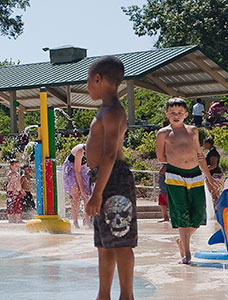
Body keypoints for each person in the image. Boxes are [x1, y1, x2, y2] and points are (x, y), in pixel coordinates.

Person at [84, 56, 137, 300]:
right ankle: (102, 295)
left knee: (121, 240)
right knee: (104, 244)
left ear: (98, 79)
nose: (87, 87)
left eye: (88, 81)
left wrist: (97, 193)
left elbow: (109, 154)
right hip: (103, 179)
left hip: (113, 179)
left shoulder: (114, 111)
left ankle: (127, 296)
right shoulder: (104, 111)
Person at [155, 97, 218, 265]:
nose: (176, 116)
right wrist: (176, 159)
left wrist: (209, 178)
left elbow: (199, 155)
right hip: (175, 174)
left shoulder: (193, 131)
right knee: (181, 213)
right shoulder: (163, 133)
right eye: (172, 113)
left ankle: (182, 240)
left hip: (195, 173)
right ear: (167, 114)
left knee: (198, 214)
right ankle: (187, 253)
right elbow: (161, 156)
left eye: (180, 113)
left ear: (186, 114)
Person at [64, 143, 91, 229]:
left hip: (82, 168)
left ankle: (87, 220)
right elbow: (77, 171)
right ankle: (75, 222)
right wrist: (81, 189)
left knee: (87, 195)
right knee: (77, 195)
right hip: (72, 169)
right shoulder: (80, 151)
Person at [5, 159, 24, 223]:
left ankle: (18, 218)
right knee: (11, 205)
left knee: (18, 205)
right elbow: (11, 183)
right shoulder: (11, 174)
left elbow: (18, 183)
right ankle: (11, 219)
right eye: (16, 166)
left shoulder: (17, 174)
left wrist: (21, 190)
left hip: (16, 192)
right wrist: (15, 189)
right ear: (11, 166)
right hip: (11, 192)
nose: (18, 167)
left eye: (18, 166)